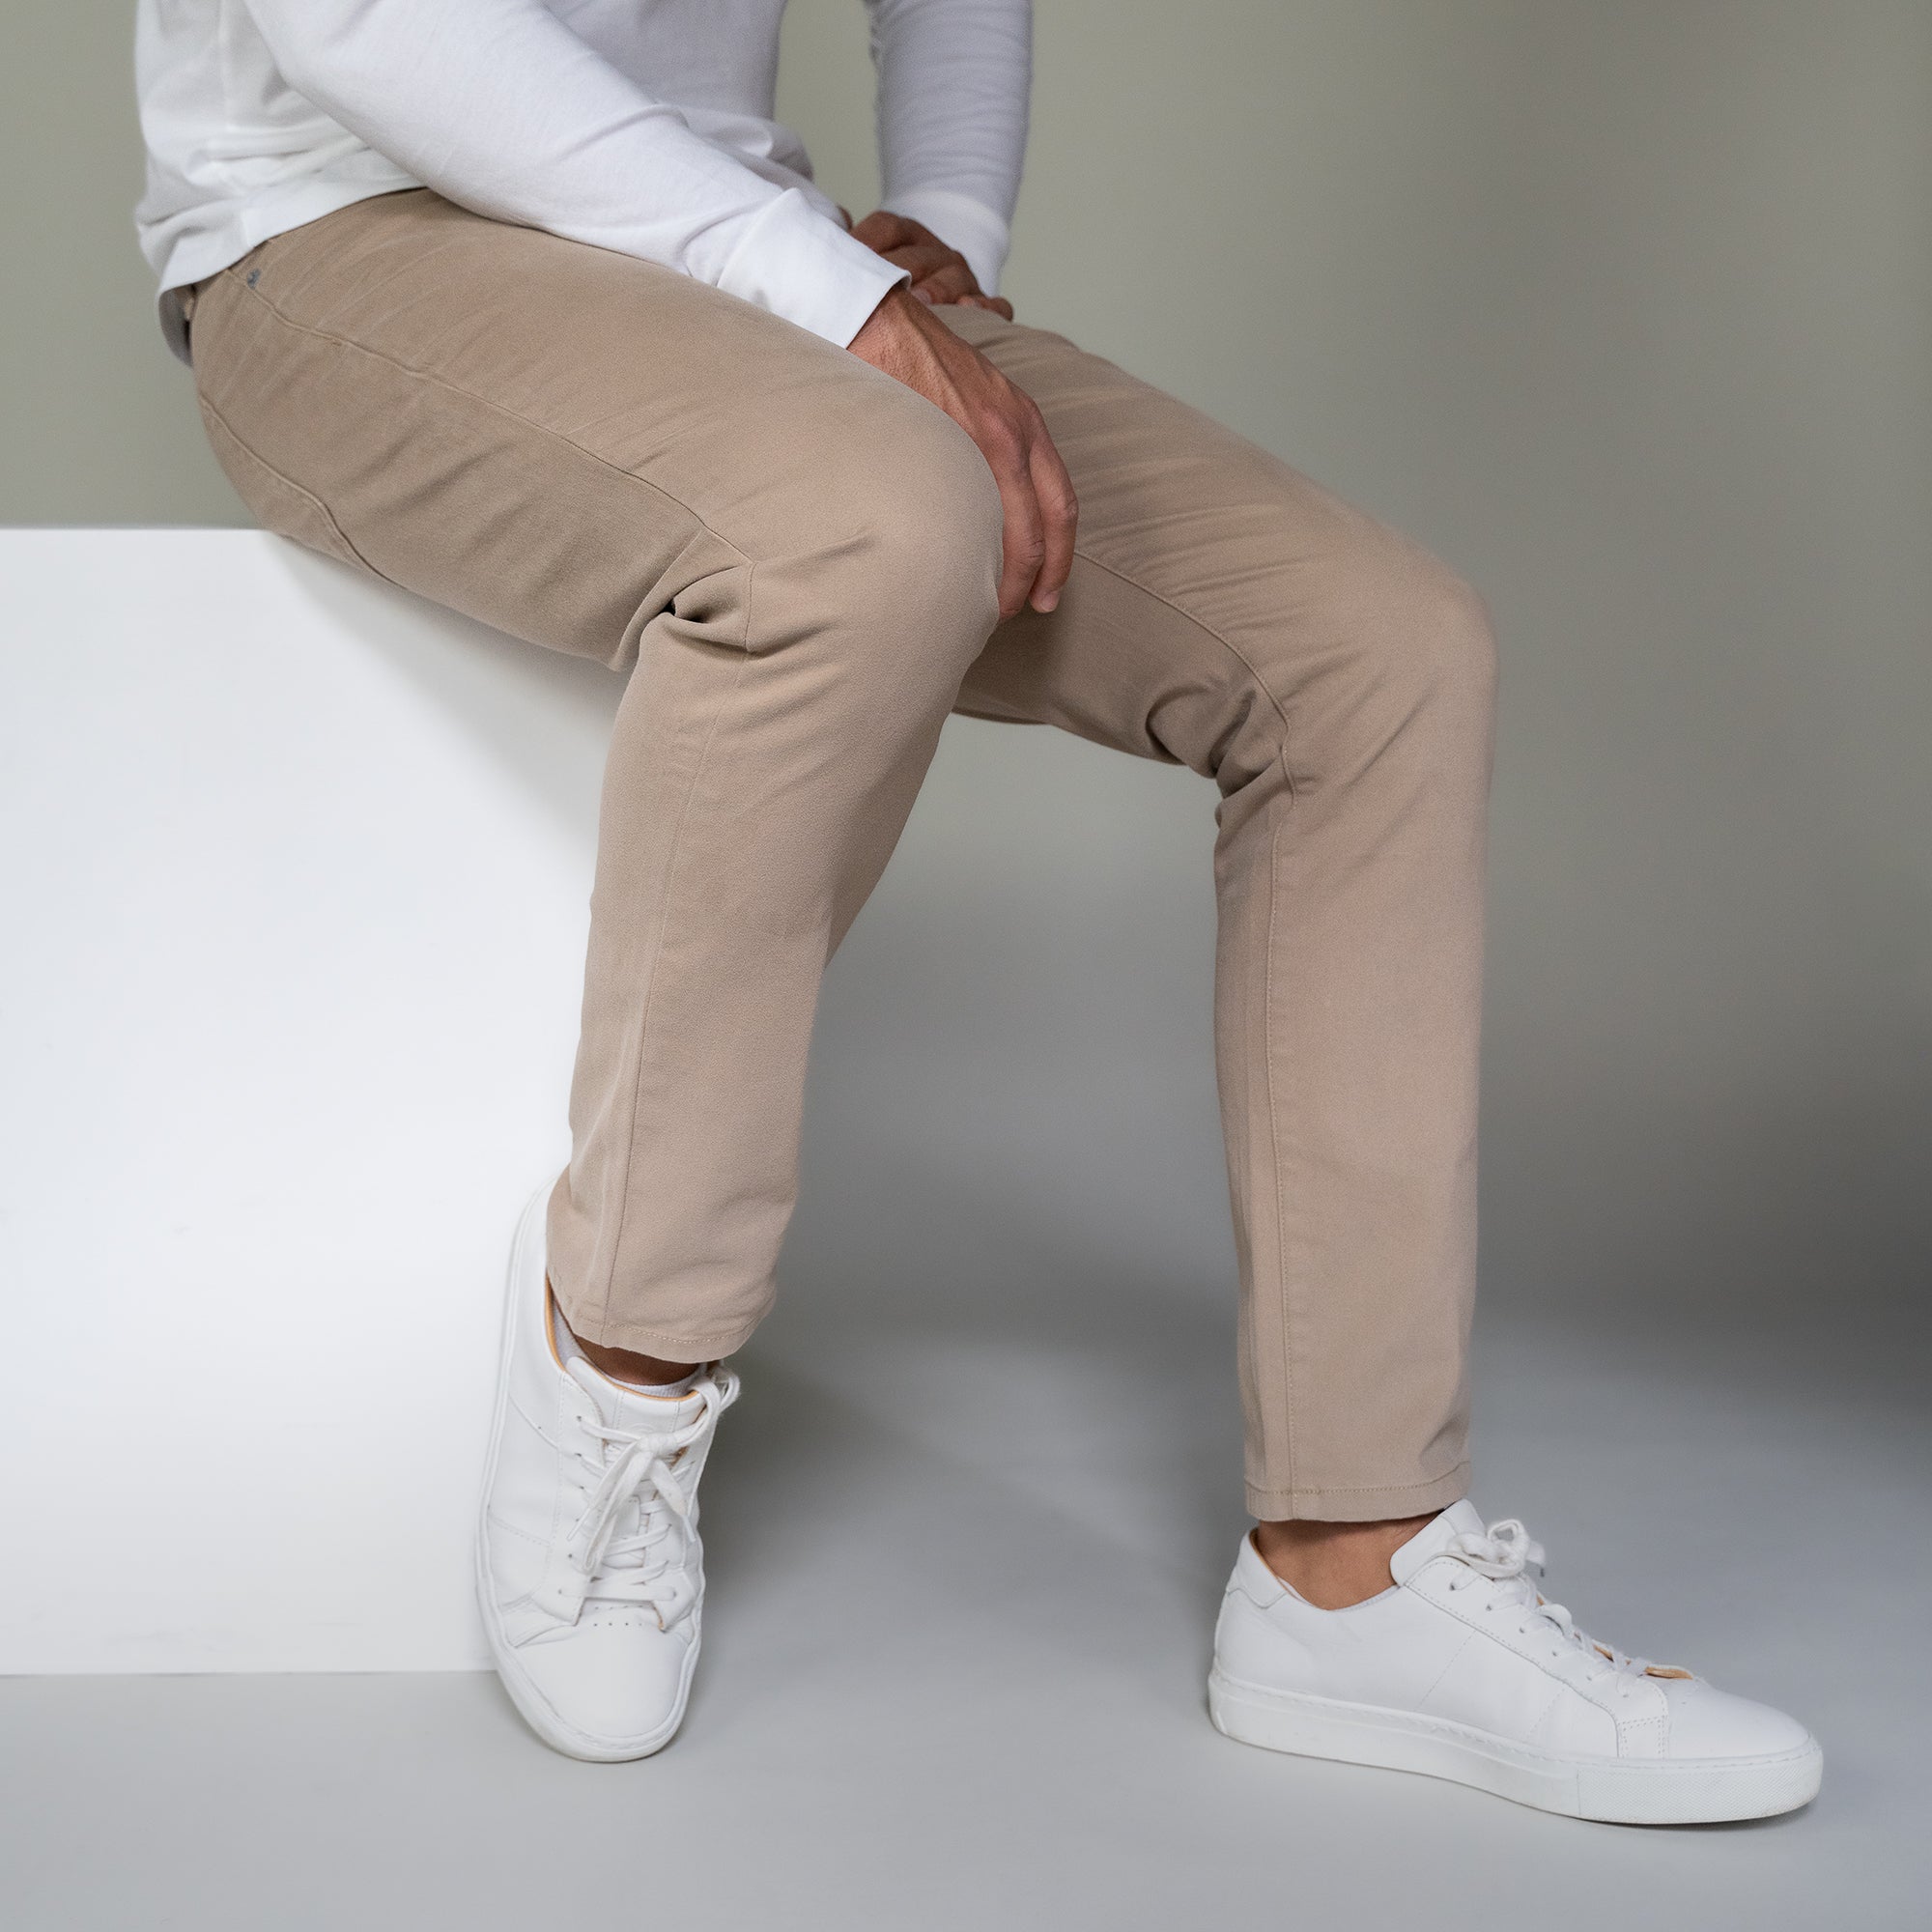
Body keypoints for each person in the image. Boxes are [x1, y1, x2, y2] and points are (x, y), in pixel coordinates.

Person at [135, 0, 1819, 1822]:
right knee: (869, 524)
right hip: (339, 228)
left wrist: (944, 221)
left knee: (1378, 656)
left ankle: (1353, 1566)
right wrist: (826, 292)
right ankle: (620, 1353)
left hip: (727, 251)